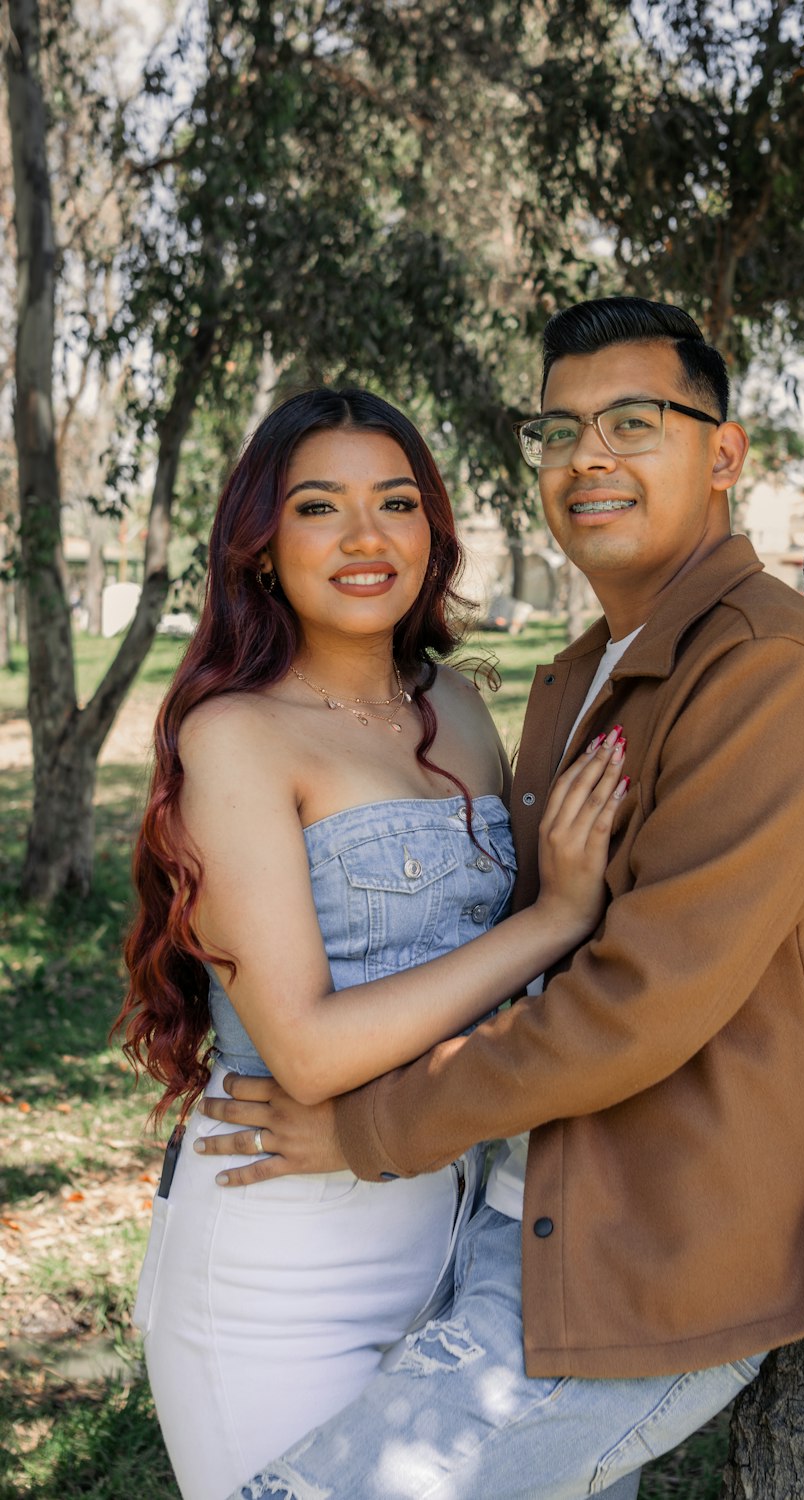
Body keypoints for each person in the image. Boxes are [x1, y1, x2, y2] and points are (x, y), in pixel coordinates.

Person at [199, 298, 804, 1500]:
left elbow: (635, 1005)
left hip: (644, 1257)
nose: (588, 456)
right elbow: (532, 952)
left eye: (634, 423)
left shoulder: (767, 677)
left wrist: (366, 1133)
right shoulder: (580, 674)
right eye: (559, 429)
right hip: (520, 1226)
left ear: (724, 456)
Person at [114, 386, 630, 1500]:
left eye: (395, 502)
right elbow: (303, 1052)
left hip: (460, 1232)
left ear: (432, 533)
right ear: (259, 547)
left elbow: (505, 996)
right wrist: (554, 917)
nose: (364, 537)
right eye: (317, 508)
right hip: (278, 1263)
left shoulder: (455, 705)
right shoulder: (236, 735)